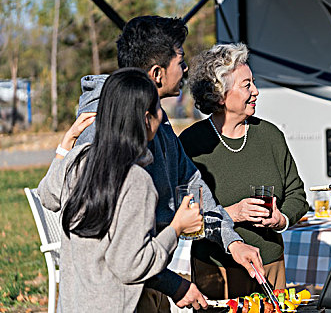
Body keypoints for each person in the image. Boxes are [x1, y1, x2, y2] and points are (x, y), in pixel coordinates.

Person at [74, 16, 264, 311]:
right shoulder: (99, 128)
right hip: (112, 294)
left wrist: (232, 241)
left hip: (152, 276)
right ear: (157, 73)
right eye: (181, 60)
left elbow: (193, 187)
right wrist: (172, 283)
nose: (186, 69)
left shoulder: (156, 121)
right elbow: (114, 245)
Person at [38, 69, 204, 312]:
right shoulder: (136, 180)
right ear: (146, 119)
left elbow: (47, 194)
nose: (162, 115)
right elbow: (131, 265)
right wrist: (176, 228)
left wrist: (66, 144)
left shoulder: (79, 159)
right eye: (158, 109)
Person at [179, 43, 309, 300]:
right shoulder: (191, 143)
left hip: (270, 268)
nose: (256, 91)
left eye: (253, 83)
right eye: (246, 85)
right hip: (216, 271)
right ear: (219, 95)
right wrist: (232, 214)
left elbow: (297, 195)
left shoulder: (270, 135)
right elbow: (185, 216)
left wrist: (281, 219)